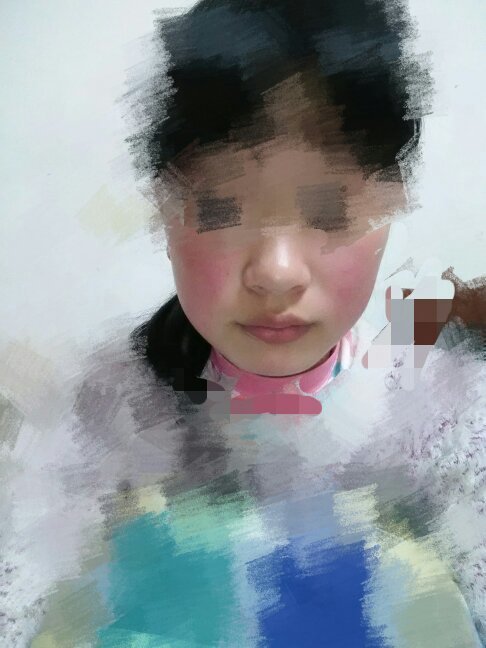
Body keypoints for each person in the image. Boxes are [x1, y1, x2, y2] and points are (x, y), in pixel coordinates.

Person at [4, 0, 484, 646]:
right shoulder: (98, 413)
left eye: (328, 213)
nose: (276, 272)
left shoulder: (447, 420)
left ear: (391, 203)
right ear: (165, 206)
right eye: (222, 211)